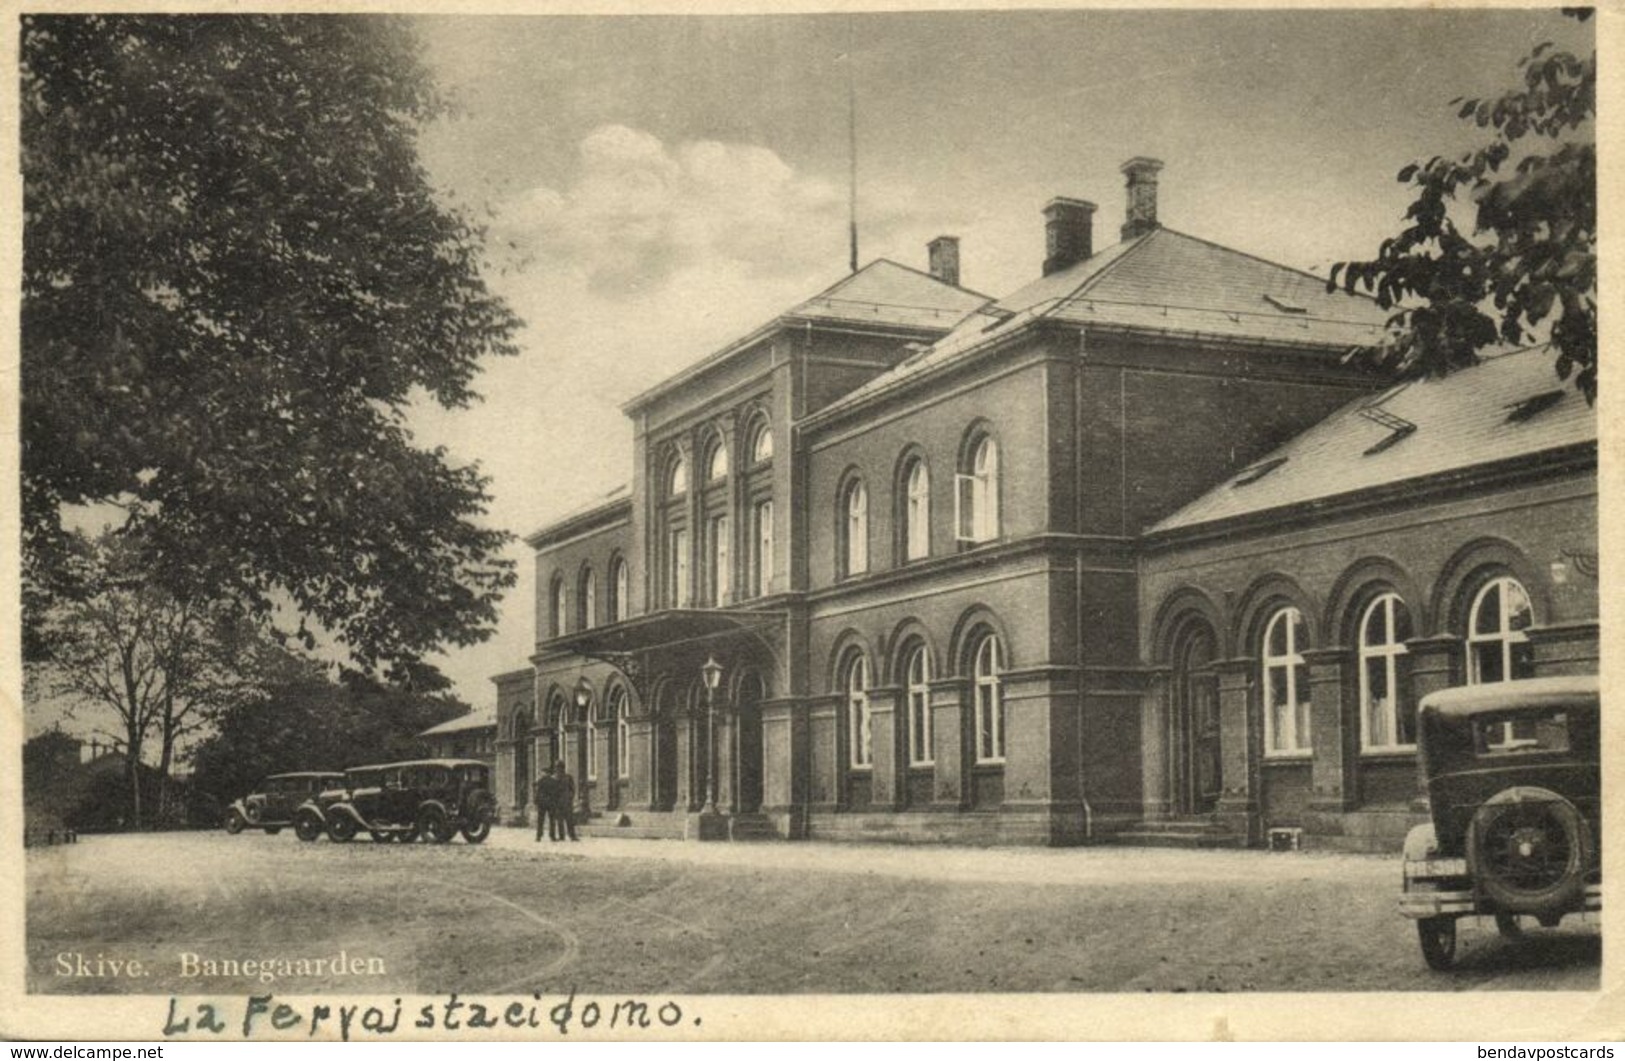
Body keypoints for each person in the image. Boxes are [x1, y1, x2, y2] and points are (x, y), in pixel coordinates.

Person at [549, 761, 579, 842]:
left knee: (568, 820)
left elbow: (572, 789)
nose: (559, 769)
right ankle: (564, 836)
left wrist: (570, 797)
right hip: (560, 802)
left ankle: (571, 835)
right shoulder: (553, 778)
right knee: (561, 820)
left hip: (565, 802)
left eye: (560, 767)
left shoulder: (567, 777)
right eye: (557, 767)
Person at [532, 769, 557, 842]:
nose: (541, 774)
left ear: (545, 773)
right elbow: (556, 792)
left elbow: (537, 792)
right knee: (552, 820)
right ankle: (552, 836)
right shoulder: (553, 781)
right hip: (551, 803)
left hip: (542, 803)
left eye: (542, 773)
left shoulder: (540, 781)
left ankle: (539, 836)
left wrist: (536, 801)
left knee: (540, 820)